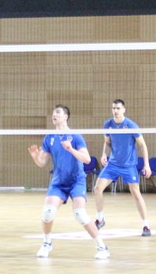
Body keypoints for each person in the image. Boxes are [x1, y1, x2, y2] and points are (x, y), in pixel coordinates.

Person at [28, 105, 109, 260]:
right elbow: (42, 163)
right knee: (47, 213)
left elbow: (87, 159)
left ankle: (102, 247)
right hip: (59, 182)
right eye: (53, 113)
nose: (54, 115)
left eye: (58, 112)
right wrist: (35, 157)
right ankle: (46, 243)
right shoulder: (49, 138)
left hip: (76, 181)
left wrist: (70, 149)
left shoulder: (76, 137)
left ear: (65, 117)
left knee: (80, 214)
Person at [92, 99, 152, 236]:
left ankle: (146, 226)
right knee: (97, 189)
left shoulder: (131, 125)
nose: (115, 111)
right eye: (113, 108)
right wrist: (104, 154)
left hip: (128, 165)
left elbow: (142, 145)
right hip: (113, 164)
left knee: (136, 194)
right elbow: (107, 142)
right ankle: (100, 219)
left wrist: (146, 165)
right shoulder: (108, 124)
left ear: (124, 110)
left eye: (118, 108)